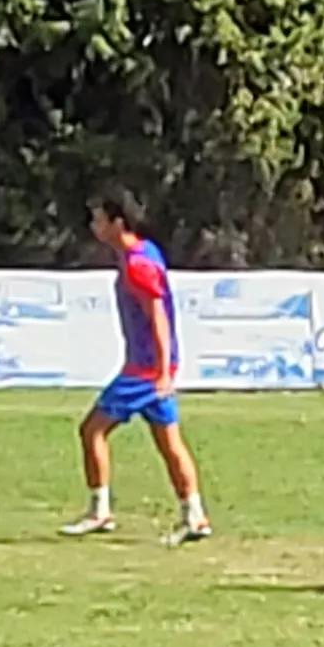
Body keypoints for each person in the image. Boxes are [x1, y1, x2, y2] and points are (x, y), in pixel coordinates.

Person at [63, 192, 211, 544]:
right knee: (169, 442)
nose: (93, 226)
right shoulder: (143, 253)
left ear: (117, 223)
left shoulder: (137, 264)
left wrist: (161, 371)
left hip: (143, 371)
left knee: (91, 430)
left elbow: (157, 314)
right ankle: (195, 516)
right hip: (153, 367)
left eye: (99, 219)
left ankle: (100, 511)